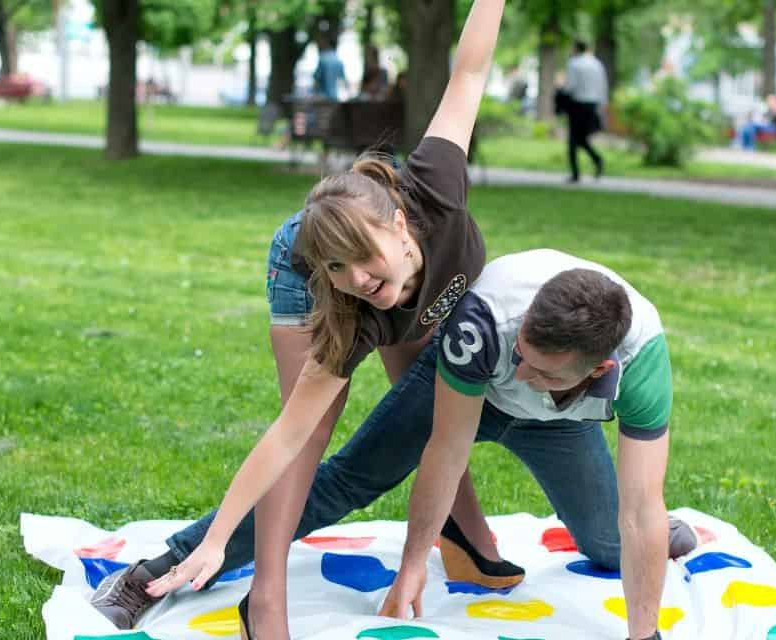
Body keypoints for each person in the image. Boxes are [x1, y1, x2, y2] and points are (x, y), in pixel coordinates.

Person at [89, 3, 512, 639]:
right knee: (311, 436)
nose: (360, 281)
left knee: (426, 405)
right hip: (307, 251)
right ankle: (263, 599)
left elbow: (470, 74)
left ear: (402, 226)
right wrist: (219, 538)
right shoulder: (348, 294)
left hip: (369, 235)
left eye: (367, 264)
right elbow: (285, 437)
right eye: (348, 274)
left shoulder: (436, 187)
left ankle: (467, 537)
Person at [371, 250, 693, 640]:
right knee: (349, 478)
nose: (521, 373)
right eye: (522, 353)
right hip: (476, 389)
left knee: (611, 546)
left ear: (598, 370)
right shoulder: (483, 320)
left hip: (560, 419)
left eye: (541, 370)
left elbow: (640, 509)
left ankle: (664, 531)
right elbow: (446, 451)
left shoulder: (642, 358)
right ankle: (274, 533)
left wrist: (644, 636)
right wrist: (412, 566)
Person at [562, 40, 609, 182]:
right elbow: (603, 86)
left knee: (573, 140)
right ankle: (597, 159)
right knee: (581, 138)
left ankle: (576, 173)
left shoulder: (573, 64)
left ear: (576, 49)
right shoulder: (597, 64)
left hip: (578, 104)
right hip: (593, 104)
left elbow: (571, 86)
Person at [313, 36, 348, 101]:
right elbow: (343, 79)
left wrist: (314, 93)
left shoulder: (323, 58)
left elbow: (316, 78)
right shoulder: (339, 60)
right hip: (334, 96)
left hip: (322, 96)